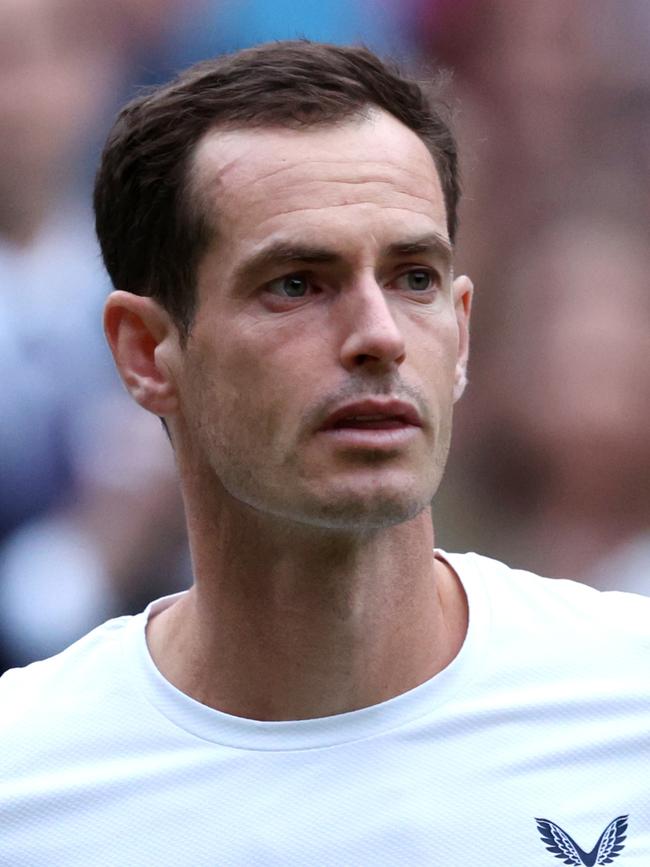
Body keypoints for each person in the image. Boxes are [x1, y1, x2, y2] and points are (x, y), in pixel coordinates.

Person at [1, 40, 648, 866]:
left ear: (461, 333)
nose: (379, 334)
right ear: (145, 351)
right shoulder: (23, 789)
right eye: (297, 283)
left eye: (414, 277)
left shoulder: (632, 702)